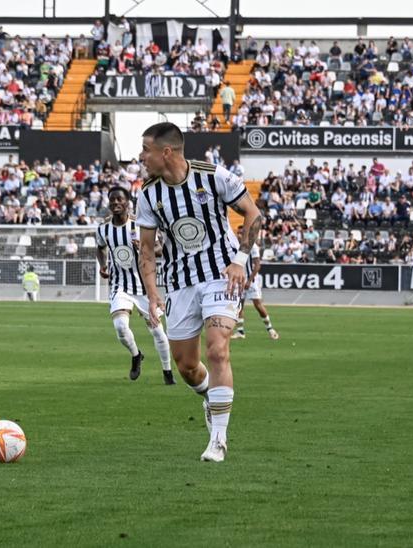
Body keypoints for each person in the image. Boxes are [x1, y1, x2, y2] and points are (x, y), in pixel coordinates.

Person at [134, 122, 264, 462]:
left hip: (222, 274)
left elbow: (253, 214)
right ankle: (211, 396)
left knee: (218, 350)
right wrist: (152, 293)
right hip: (179, 281)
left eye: (146, 149)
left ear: (166, 152)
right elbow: (146, 250)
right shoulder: (148, 194)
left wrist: (240, 260)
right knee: (187, 365)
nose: (141, 156)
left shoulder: (213, 176)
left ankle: (218, 439)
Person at [96, 186, 174, 384]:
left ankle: (167, 371)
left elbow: (159, 248)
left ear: (127, 202)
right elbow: (100, 248)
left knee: (158, 331)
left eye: (119, 199)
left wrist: (148, 249)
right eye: (112, 200)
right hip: (119, 285)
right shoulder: (103, 229)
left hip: (145, 288)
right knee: (121, 326)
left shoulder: (140, 226)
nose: (115, 203)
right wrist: (103, 264)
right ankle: (136, 354)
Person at [234, 243, 279, 340]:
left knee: (257, 304)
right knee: (239, 305)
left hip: (252, 280)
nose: (240, 234)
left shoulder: (253, 246)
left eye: (242, 232)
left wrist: (249, 280)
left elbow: (258, 265)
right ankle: (240, 331)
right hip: (241, 279)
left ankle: (270, 329)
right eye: (239, 232)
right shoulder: (238, 245)